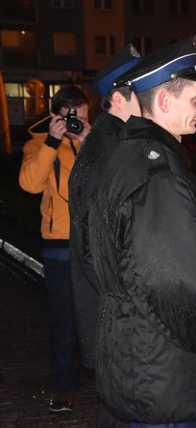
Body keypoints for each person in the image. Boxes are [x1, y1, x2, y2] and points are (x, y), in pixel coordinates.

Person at [87, 37, 196, 427]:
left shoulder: (123, 154)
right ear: (164, 101)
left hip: (138, 357)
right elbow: (178, 288)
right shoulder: (159, 173)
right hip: (167, 371)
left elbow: (125, 251)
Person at [68, 44, 141, 428]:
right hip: (118, 322)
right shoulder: (110, 150)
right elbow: (97, 248)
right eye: (142, 92)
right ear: (118, 98)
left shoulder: (108, 144)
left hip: (115, 321)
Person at [19, 85, 91, 413]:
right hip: (59, 246)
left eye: (84, 119)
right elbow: (30, 184)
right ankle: (64, 386)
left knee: (96, 318)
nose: (76, 124)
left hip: (93, 246)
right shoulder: (39, 143)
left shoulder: (92, 145)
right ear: (55, 116)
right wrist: (52, 140)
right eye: (71, 119)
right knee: (64, 322)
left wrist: (89, 142)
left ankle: (105, 380)